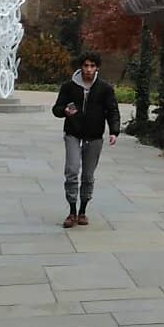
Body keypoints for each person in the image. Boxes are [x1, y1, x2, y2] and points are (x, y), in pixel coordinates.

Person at [52, 52, 120, 227]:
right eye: (86, 65)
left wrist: (114, 131)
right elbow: (57, 108)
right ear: (80, 66)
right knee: (72, 170)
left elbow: (112, 110)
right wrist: (65, 111)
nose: (89, 69)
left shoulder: (104, 88)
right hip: (73, 134)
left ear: (97, 67)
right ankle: (72, 211)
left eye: (92, 66)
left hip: (94, 136)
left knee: (88, 176)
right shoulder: (69, 87)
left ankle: (83, 211)